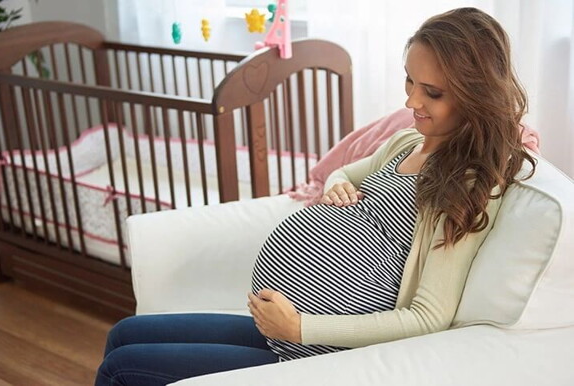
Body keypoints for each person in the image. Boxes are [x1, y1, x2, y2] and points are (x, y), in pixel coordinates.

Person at [95, 7, 536, 385]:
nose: (412, 101)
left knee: (121, 367)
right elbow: (345, 171)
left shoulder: (468, 184)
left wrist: (300, 326)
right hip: (284, 331)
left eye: (432, 93)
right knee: (123, 333)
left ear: (475, 94)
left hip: (315, 348)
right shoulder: (407, 142)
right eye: (410, 82)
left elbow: (428, 316)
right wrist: (335, 184)